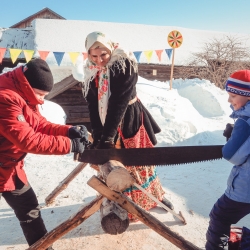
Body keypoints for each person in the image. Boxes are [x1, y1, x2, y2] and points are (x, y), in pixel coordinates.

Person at [72, 31, 174, 221]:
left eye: (103, 54)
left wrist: (108, 138)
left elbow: (119, 102)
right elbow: (93, 105)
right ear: (87, 54)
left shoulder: (123, 64)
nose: (99, 60)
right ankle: (118, 202)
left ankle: (155, 198)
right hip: (106, 119)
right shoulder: (90, 70)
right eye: (94, 56)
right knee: (111, 164)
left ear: (111, 49)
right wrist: (98, 134)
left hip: (128, 118)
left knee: (139, 160)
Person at [0, 58, 88, 248]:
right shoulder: (5, 97)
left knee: (29, 208)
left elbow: (39, 124)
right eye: (40, 95)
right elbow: (28, 140)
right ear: (28, 86)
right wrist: (69, 145)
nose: (41, 100)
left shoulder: (23, 93)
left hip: (8, 167)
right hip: (4, 164)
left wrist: (67, 131)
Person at [205, 69, 250, 249]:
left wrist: (232, 139)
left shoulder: (245, 121)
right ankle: (234, 246)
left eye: (233, 96)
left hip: (245, 187)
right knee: (229, 222)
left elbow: (232, 155)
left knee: (220, 216)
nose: (229, 100)